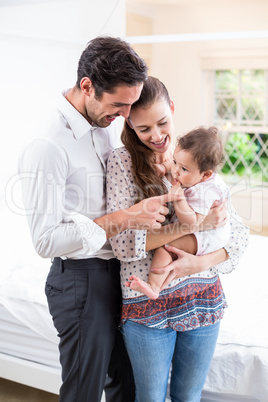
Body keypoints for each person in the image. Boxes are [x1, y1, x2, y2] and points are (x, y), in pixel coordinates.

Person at [18, 37, 184, 402]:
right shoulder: (49, 145)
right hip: (81, 281)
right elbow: (44, 241)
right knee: (84, 393)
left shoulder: (107, 121)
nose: (125, 115)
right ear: (87, 86)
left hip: (122, 275)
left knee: (128, 386)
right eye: (119, 105)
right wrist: (126, 217)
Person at [106, 76, 249, 402]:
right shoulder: (122, 162)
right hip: (147, 307)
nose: (156, 136)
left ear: (172, 109)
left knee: (189, 396)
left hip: (202, 298)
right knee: (151, 397)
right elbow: (123, 246)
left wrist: (199, 261)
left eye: (162, 123)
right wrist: (192, 227)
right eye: (143, 129)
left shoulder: (196, 156)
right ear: (129, 124)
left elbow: (238, 236)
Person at [126, 126, 232, 300]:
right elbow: (180, 165)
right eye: (175, 162)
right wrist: (166, 167)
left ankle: (154, 286)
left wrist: (180, 200)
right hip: (208, 230)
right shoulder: (195, 173)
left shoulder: (204, 191)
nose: (175, 171)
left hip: (209, 236)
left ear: (205, 175)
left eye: (183, 169)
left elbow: (190, 224)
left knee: (166, 249)